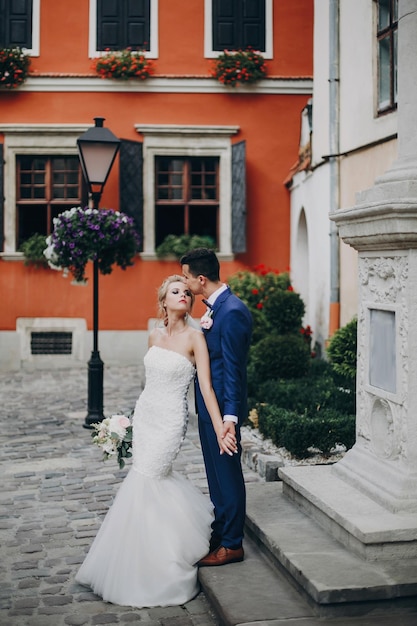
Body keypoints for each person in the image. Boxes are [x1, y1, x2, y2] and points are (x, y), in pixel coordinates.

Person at [76, 275, 237, 608]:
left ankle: (160, 560)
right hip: (147, 415)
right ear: (164, 302)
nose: (183, 296)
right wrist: (128, 423)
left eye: (186, 293)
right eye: (175, 292)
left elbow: (206, 387)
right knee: (144, 480)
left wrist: (223, 425)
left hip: (170, 421)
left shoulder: (196, 338)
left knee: (152, 475)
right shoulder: (154, 335)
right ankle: (139, 555)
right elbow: (148, 383)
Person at [181, 248, 253, 567]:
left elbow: (235, 370)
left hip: (223, 409)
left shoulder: (232, 310)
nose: (184, 283)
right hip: (209, 408)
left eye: (185, 277)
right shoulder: (214, 308)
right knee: (215, 473)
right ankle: (221, 532)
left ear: (200, 278)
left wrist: (230, 419)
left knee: (228, 473)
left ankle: (233, 544)